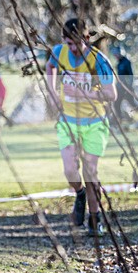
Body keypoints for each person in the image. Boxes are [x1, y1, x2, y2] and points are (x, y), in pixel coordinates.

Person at [45, 18, 117, 236]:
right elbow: (50, 67)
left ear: (86, 38)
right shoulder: (60, 52)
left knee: (90, 171)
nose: (73, 49)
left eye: (77, 43)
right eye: (69, 44)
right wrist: (51, 93)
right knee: (69, 169)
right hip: (68, 121)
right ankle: (80, 193)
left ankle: (95, 220)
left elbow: (111, 94)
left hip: (95, 123)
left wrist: (85, 93)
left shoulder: (98, 60)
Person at [110, 45, 138, 121]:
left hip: (126, 87)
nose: (115, 56)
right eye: (114, 54)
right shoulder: (119, 63)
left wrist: (129, 86)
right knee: (117, 103)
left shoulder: (126, 61)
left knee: (132, 103)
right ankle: (121, 118)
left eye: (116, 54)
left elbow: (131, 75)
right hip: (120, 87)